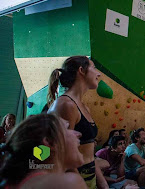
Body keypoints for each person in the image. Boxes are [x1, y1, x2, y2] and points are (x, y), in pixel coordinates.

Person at [47, 56, 106, 189]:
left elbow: (88, 153)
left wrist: (102, 183)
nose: (99, 74)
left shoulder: (84, 107)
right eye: (94, 68)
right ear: (81, 70)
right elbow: (59, 157)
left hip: (88, 179)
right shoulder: (65, 105)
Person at [0, 113, 86, 188]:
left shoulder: (20, 181)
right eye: (68, 128)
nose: (78, 134)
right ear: (49, 142)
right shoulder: (69, 183)